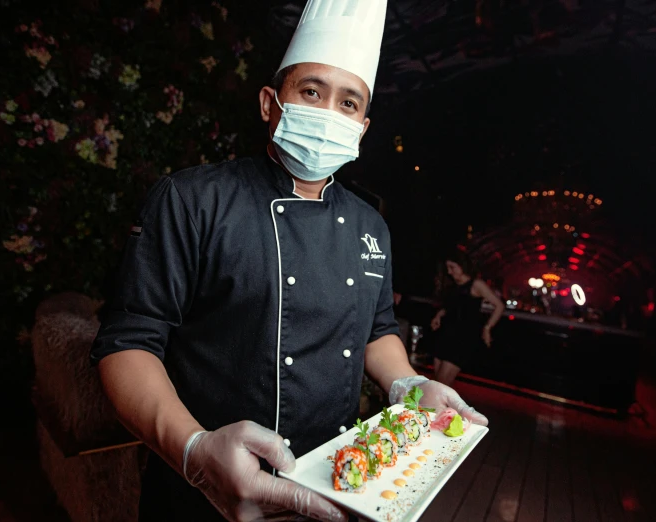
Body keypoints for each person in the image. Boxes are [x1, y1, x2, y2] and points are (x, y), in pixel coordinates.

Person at [90, 2, 488, 521]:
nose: (327, 113)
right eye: (311, 92)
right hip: (200, 498)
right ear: (269, 103)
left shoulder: (371, 226)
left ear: (362, 128)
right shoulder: (192, 199)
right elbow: (127, 344)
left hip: (337, 489)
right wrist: (195, 453)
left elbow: (376, 331)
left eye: (348, 103)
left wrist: (409, 384)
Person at [429, 250, 505, 387]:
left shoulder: (476, 285)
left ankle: (436, 407)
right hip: (446, 334)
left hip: (462, 339)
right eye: (448, 268)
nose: (450, 272)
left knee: (441, 384)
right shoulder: (452, 286)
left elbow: (499, 306)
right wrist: (438, 316)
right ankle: (439, 408)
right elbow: (450, 307)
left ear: (462, 266)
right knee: (437, 382)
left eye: (452, 267)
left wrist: (487, 328)